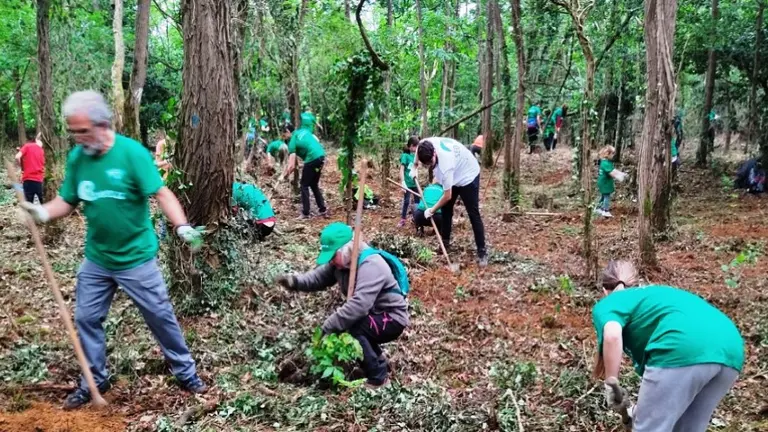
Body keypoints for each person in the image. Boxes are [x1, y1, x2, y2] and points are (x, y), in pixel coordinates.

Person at [19, 90, 206, 410]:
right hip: (98, 258)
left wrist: (181, 226)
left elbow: (161, 193)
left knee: (160, 316)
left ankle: (186, 372)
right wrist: (42, 212)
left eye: (82, 130)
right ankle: (94, 378)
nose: (77, 138)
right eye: (73, 131)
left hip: (136, 257)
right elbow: (67, 201)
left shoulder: (131, 153)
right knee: (87, 317)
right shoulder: (78, 158)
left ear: (101, 124)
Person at [592, 260, 744, 432]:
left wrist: (612, 384)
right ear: (637, 284)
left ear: (605, 290)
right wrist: (638, 414)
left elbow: (612, 335)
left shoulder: (610, 302)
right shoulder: (657, 294)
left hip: (682, 347)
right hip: (731, 348)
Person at [276, 222, 410, 388]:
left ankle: (378, 378)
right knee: (352, 324)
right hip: (374, 315)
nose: (331, 261)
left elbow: (359, 306)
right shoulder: (340, 264)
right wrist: (295, 282)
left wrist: (327, 327)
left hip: (391, 318)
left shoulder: (372, 264)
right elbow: (317, 278)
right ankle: (378, 360)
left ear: (347, 249)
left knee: (352, 327)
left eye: (333, 256)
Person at [413, 137, 488, 267]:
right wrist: (414, 166)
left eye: (431, 162)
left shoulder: (445, 166)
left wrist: (432, 210)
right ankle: (445, 243)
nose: (430, 165)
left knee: (473, 213)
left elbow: (447, 196)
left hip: (468, 175)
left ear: (434, 153)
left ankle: (482, 252)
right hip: (455, 171)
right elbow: (419, 146)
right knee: (446, 210)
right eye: (427, 164)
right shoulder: (426, 144)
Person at [280, 122, 328, 219]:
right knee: (313, 184)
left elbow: (291, 166)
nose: (284, 137)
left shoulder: (292, 141)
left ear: (288, 131)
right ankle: (322, 209)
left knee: (304, 185)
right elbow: (316, 140)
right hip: (321, 158)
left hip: (312, 159)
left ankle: (306, 213)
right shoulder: (304, 131)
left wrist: (283, 176)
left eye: (284, 135)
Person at [596, 145, 627, 218]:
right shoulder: (605, 163)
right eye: (612, 154)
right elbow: (611, 172)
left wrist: (621, 173)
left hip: (603, 182)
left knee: (603, 195)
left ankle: (598, 208)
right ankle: (605, 210)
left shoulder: (606, 162)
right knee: (607, 196)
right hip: (605, 183)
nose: (613, 155)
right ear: (607, 154)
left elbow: (613, 170)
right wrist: (619, 177)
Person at [15, 132, 45, 203]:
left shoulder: (27, 146)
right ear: (38, 140)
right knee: (42, 202)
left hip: (27, 179)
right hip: (38, 180)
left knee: (29, 202)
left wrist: (22, 167)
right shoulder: (42, 151)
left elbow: (17, 157)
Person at [398, 138, 420, 227]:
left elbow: (416, 168)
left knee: (417, 201)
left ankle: (417, 219)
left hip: (415, 182)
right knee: (406, 201)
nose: (417, 149)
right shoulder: (405, 156)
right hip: (407, 183)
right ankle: (403, 219)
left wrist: (417, 176)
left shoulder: (416, 156)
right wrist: (403, 182)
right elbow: (401, 170)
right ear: (411, 146)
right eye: (416, 147)